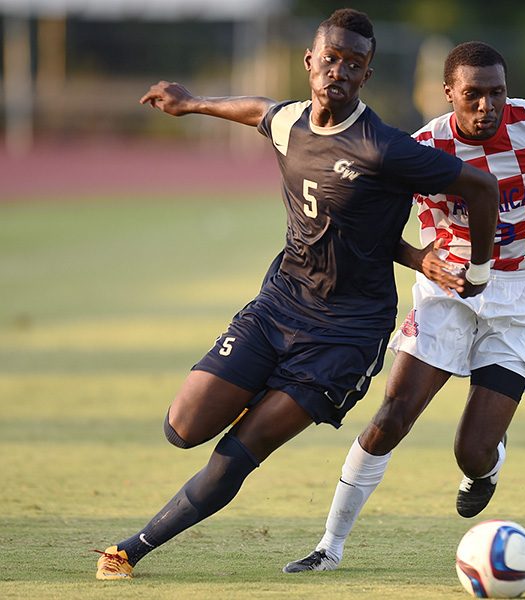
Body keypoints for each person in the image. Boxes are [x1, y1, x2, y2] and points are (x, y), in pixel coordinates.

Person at [94, 11, 500, 580]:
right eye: (331, 58)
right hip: (280, 304)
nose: (339, 70)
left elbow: (480, 187)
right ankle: (259, 383)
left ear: (365, 75)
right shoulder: (292, 122)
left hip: (346, 335)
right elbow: (257, 110)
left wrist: (478, 270)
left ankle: (131, 549)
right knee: (181, 428)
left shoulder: (385, 148)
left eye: (353, 64)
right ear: (310, 62)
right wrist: (191, 103)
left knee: (242, 448)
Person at [283, 40, 525, 573]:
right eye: (473, 95)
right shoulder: (421, 150)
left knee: (471, 451)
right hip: (449, 292)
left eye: (496, 93)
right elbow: (371, 229)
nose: (487, 106)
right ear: (449, 95)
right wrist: (422, 261)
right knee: (394, 414)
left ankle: (486, 465)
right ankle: (330, 545)